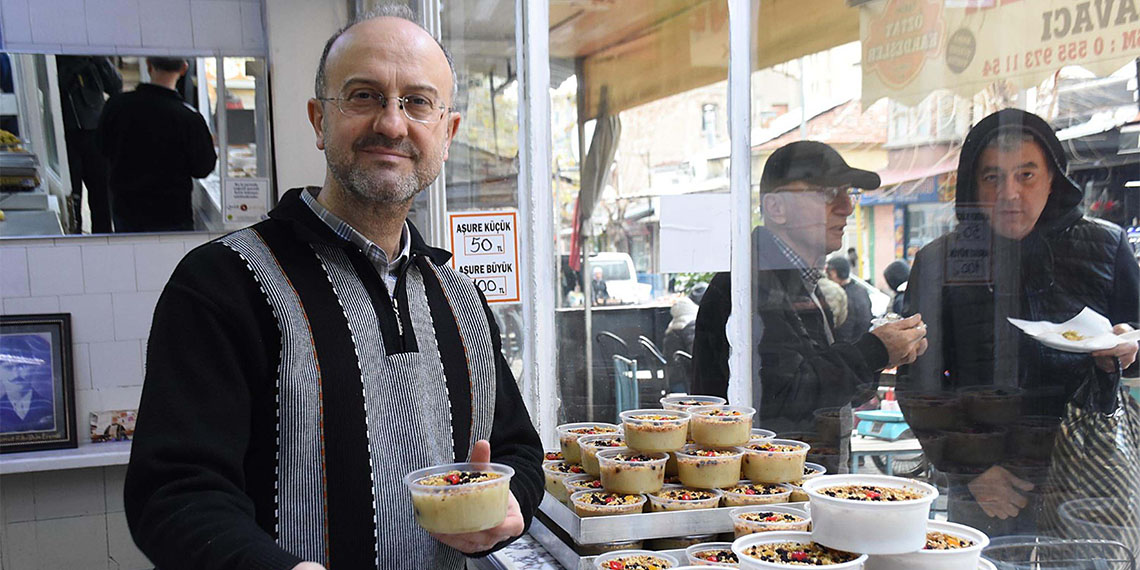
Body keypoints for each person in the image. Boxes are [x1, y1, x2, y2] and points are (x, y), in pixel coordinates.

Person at [124, 8, 543, 570]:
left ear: (447, 133)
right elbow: (174, 492)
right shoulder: (223, 282)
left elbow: (518, 450)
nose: (391, 124)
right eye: (364, 96)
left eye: (418, 102)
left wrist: (509, 507)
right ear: (319, 119)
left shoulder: (459, 295)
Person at [901, 108, 1139, 532]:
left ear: (1053, 179)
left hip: (1088, 473)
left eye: (1026, 175)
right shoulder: (940, 260)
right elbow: (919, 381)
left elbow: (1135, 351)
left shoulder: (1107, 245)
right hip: (988, 485)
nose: (1009, 193)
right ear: (973, 186)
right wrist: (972, 468)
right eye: (992, 177)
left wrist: (1123, 352)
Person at [692, 140, 929, 435]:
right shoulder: (750, 285)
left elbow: (822, 387)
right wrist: (873, 351)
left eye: (848, 193)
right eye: (828, 193)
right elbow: (782, 400)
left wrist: (884, 355)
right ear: (776, 207)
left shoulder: (795, 280)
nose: (846, 207)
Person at [99, 56, 216, 232]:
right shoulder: (189, 118)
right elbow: (203, 168)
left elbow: (102, 147)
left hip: (127, 211)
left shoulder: (116, 105)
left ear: (148, 65)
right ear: (184, 69)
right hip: (172, 215)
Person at [57, 55, 121, 233]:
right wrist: (75, 64)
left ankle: (104, 240)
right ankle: (73, 238)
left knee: (102, 197)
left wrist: (98, 58)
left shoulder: (94, 60)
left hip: (95, 132)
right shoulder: (56, 58)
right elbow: (55, 86)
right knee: (72, 199)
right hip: (65, 133)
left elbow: (115, 85)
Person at [0, 335, 55, 433]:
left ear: (33, 367)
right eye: (8, 367)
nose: (16, 374)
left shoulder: (51, 408)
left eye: (23, 365)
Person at [662, 282, 707, 393]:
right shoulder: (691, 324)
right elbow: (697, 357)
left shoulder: (680, 319)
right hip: (685, 383)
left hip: (675, 378)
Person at [826, 255, 872, 344]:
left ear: (834, 273)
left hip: (848, 345)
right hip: (863, 342)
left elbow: (845, 329)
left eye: (829, 274)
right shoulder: (861, 290)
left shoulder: (841, 295)